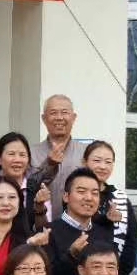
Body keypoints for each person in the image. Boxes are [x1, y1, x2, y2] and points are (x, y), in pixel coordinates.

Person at [85, 140, 137, 275]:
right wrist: (105, 219)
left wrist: (121, 274)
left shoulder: (120, 198)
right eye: (97, 160)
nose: (103, 166)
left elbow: (131, 240)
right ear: (84, 162)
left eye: (108, 162)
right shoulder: (76, 195)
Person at [47, 168, 106, 275]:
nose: (89, 198)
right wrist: (71, 255)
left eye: (95, 193)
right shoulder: (48, 232)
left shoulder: (104, 233)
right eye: (81, 191)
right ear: (66, 197)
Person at [30, 94, 85, 227]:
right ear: (44, 118)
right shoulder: (30, 153)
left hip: (78, 228)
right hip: (40, 227)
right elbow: (28, 187)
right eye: (53, 113)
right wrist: (49, 165)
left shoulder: (86, 153)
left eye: (64, 112)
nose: (59, 117)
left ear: (74, 117)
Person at [0, 131, 42, 231]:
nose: (17, 160)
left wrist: (40, 207)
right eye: (11, 154)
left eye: (22, 155)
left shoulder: (37, 189)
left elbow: (43, 228)